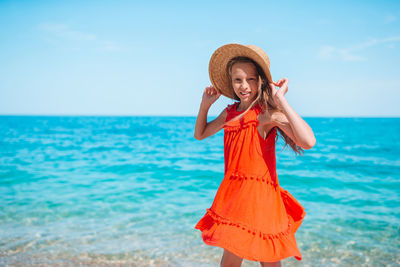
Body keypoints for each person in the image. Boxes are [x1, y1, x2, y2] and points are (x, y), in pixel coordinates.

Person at [193, 43, 316, 267]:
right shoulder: (229, 113)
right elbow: (200, 134)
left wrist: (281, 100)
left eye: (250, 79)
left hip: (261, 200)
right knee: (229, 262)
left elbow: (308, 141)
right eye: (238, 80)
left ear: (260, 80)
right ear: (231, 83)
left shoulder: (265, 115)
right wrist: (205, 105)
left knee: (268, 261)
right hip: (234, 198)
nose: (244, 85)